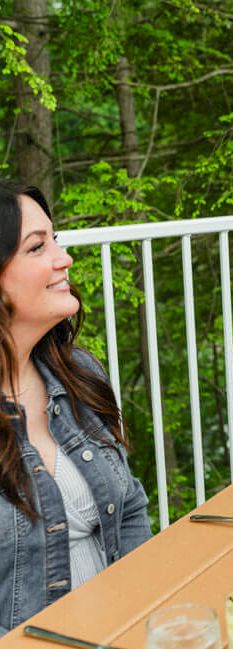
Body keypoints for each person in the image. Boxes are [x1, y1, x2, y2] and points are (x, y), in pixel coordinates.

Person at [0, 181, 151, 635]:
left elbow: (128, 509)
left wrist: (152, 607)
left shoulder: (79, 373)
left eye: (56, 239)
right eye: (36, 247)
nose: (63, 258)